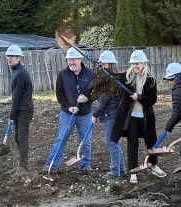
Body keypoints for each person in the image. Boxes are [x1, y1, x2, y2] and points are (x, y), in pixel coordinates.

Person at [111, 50, 166, 184]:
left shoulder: (150, 80)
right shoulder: (126, 77)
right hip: (132, 118)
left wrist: (139, 97)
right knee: (132, 144)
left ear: (144, 64)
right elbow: (113, 77)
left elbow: (153, 99)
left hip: (146, 117)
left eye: (138, 63)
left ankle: (154, 165)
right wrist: (105, 69)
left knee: (151, 142)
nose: (136, 66)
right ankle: (133, 171)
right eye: (134, 63)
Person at [42, 47, 93, 174]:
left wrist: (88, 98)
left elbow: (97, 93)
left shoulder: (91, 74)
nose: (71, 62)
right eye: (69, 60)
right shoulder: (63, 74)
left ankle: (85, 165)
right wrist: (68, 107)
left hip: (85, 114)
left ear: (80, 59)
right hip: (67, 113)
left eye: (73, 59)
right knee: (61, 139)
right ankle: (50, 166)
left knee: (85, 141)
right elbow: (59, 94)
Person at [91, 50, 125, 179]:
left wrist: (95, 114)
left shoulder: (110, 79)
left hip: (111, 115)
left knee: (112, 143)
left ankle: (114, 172)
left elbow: (104, 99)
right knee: (114, 142)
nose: (101, 65)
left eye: (103, 63)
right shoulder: (108, 77)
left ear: (109, 64)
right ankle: (121, 168)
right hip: (112, 115)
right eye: (101, 62)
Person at [5, 45, 34, 175]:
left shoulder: (20, 73)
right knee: (17, 137)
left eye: (12, 56)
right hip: (20, 109)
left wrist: (12, 115)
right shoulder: (16, 71)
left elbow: (16, 97)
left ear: (18, 58)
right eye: (8, 56)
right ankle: (23, 165)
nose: (9, 58)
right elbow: (16, 96)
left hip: (24, 110)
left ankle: (24, 167)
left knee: (22, 137)